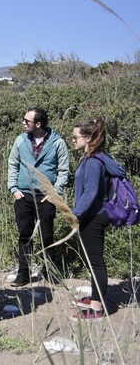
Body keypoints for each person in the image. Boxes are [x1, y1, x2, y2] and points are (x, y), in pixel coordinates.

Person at [7, 107, 69, 287]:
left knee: (47, 235)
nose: (23, 123)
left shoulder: (58, 143)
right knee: (24, 235)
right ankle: (23, 274)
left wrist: (54, 192)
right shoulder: (20, 140)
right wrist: (13, 188)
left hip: (46, 197)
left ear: (38, 124)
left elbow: (63, 170)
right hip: (23, 195)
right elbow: (13, 164)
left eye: (27, 121)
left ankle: (49, 271)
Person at [70, 118, 119, 321]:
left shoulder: (92, 162)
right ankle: (95, 297)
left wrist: (75, 214)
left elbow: (90, 193)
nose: (73, 140)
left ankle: (97, 308)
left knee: (95, 262)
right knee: (91, 260)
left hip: (94, 216)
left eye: (76, 137)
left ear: (88, 138)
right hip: (94, 215)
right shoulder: (96, 157)